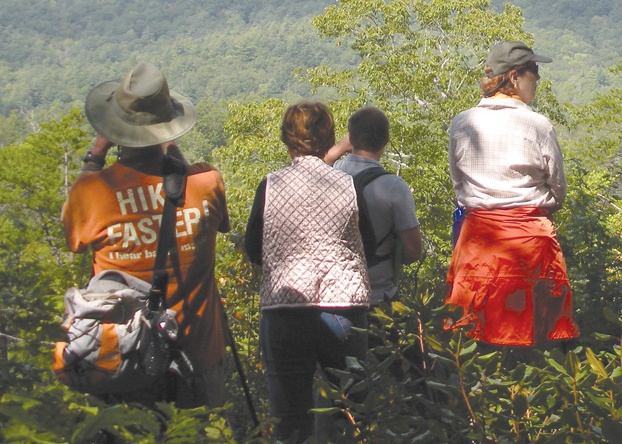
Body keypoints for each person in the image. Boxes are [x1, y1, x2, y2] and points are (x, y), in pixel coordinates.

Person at [62, 62, 229, 407]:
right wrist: (167, 148)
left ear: (113, 128)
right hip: (198, 356)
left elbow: (74, 238)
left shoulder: (91, 194)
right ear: (169, 127)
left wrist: (95, 157)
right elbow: (210, 210)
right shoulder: (207, 183)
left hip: (125, 359)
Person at [244, 101, 370, 442]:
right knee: (349, 410)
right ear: (329, 138)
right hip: (343, 308)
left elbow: (253, 249)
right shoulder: (347, 184)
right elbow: (368, 244)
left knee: (290, 418)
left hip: (284, 308)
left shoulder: (270, 186)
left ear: (287, 139)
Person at [444, 41, 579, 347]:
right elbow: (558, 190)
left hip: (479, 243)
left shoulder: (461, 123)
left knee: (474, 336)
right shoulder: (538, 125)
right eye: (534, 70)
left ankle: (476, 395)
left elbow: (458, 183)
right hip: (531, 245)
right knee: (537, 338)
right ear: (515, 77)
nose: (539, 78)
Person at [324, 106, 422, 307]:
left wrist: (339, 149)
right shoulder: (395, 187)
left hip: (331, 294)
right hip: (377, 296)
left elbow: (310, 167)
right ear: (386, 140)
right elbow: (413, 252)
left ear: (350, 138)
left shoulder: (329, 175)